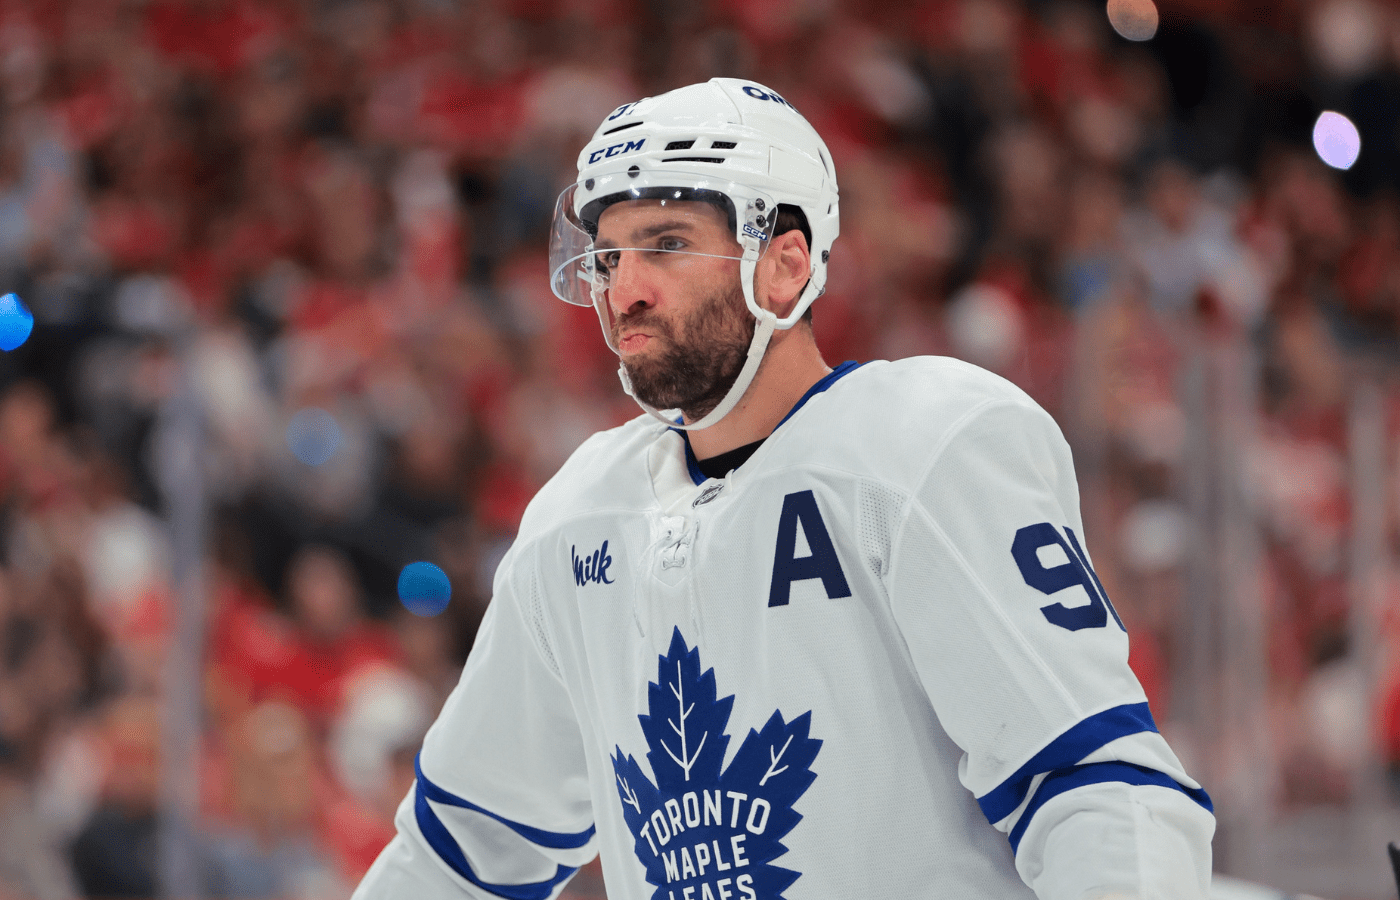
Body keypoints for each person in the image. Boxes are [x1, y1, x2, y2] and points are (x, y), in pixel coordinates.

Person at [352, 78, 1215, 900]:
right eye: (611, 254)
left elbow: (1100, 782)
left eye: (668, 244)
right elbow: (460, 852)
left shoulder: (919, 448)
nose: (624, 288)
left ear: (784, 265)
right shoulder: (578, 522)